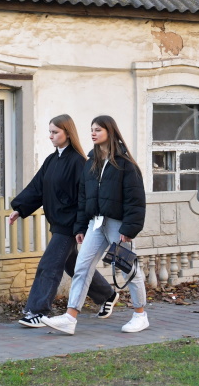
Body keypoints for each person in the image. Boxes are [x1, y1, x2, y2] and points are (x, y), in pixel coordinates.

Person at [9, 115, 118, 328]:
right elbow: (37, 188)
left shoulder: (78, 162)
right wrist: (19, 209)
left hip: (69, 225)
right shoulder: (52, 160)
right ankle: (107, 295)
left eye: (55, 132)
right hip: (58, 223)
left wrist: (80, 226)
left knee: (49, 265)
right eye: (49, 132)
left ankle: (37, 312)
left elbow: (84, 197)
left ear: (67, 133)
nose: (51, 136)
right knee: (74, 265)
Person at [43, 115, 149, 335]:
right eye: (91, 129)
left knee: (128, 268)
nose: (93, 133)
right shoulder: (91, 162)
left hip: (118, 226)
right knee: (82, 267)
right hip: (95, 224)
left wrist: (129, 230)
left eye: (98, 129)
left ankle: (140, 315)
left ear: (110, 132)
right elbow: (84, 197)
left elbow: (136, 199)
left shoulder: (125, 165)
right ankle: (70, 318)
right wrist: (80, 227)